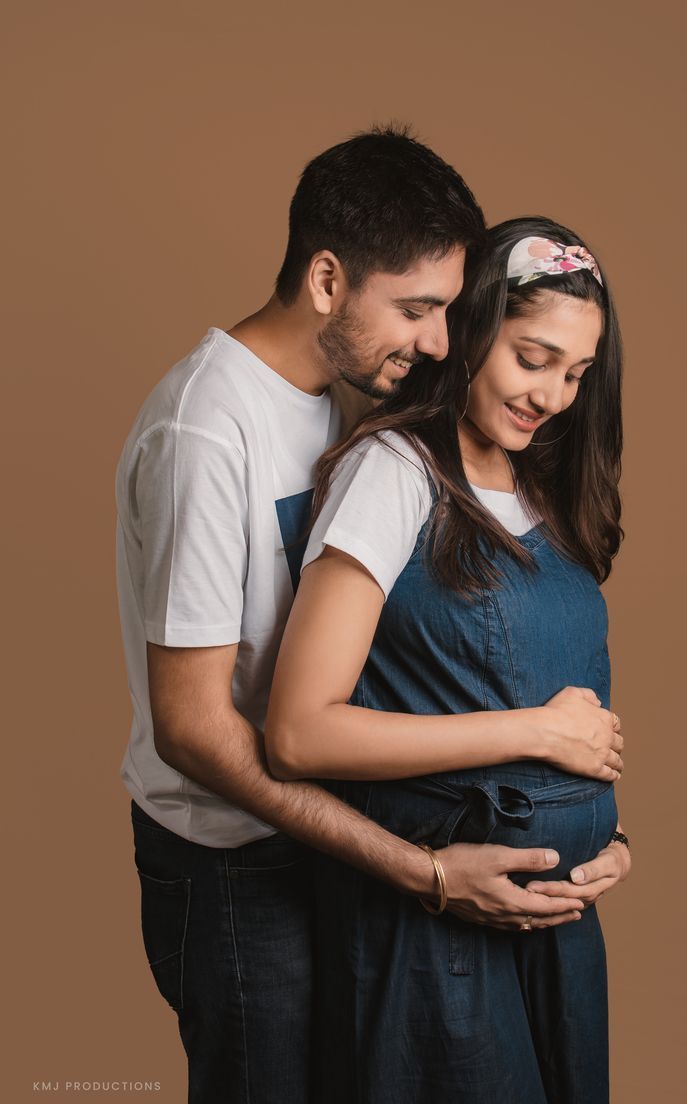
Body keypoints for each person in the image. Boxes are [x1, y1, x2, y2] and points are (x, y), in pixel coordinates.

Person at [115, 129, 587, 1104]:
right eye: (415, 309)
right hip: (233, 867)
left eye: (450, 311)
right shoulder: (204, 430)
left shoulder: (343, 399)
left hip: (325, 841)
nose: (437, 343)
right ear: (327, 279)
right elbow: (196, 729)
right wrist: (427, 874)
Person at [265, 216, 631, 1102]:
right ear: (470, 331)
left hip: (557, 934)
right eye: (532, 358)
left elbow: (553, 699)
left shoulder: (541, 488)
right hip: (434, 938)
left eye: (577, 375)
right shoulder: (393, 472)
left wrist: (602, 830)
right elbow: (299, 734)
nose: (552, 396)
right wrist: (540, 735)